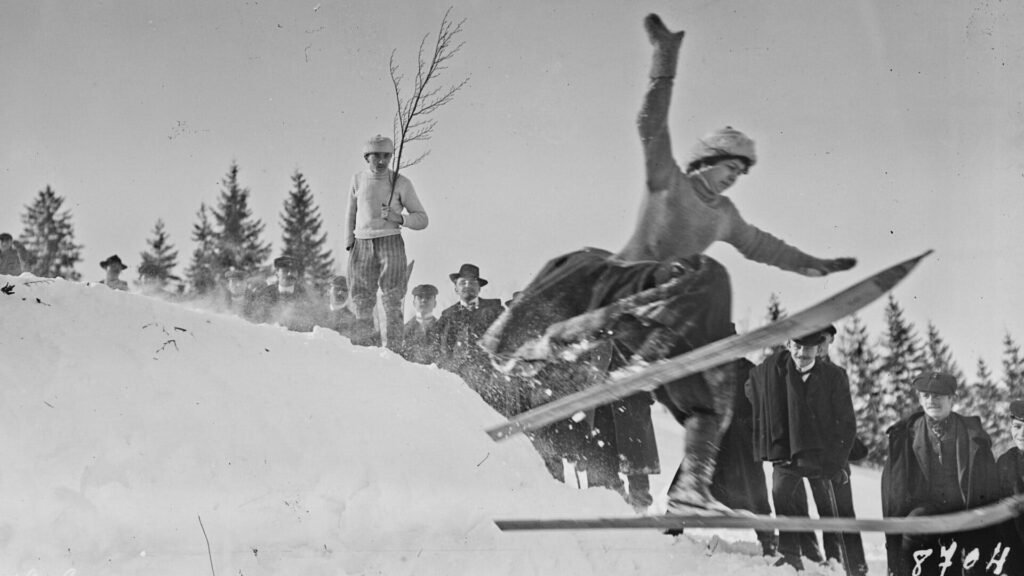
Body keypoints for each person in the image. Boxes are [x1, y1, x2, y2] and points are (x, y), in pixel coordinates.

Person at [480, 13, 855, 514]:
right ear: (706, 160)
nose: (732, 180)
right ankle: (599, 351)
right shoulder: (669, 180)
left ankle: (691, 489)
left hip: (663, 313)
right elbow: (650, 125)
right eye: (729, 168)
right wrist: (665, 59)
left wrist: (812, 265)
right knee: (704, 272)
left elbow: (762, 245)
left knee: (714, 398)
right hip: (622, 285)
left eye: (740, 175)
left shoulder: (725, 215)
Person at [746, 329, 858, 571]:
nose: (802, 353)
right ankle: (790, 555)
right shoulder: (774, 372)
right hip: (788, 454)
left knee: (827, 508)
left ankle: (835, 559)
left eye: (808, 348)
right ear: (788, 345)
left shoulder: (834, 376)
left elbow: (847, 424)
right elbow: (750, 389)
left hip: (822, 456)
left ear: (818, 349)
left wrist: (836, 461)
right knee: (781, 495)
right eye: (797, 346)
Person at [881, 371, 1001, 576]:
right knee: (913, 534)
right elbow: (892, 492)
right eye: (926, 396)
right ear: (920, 399)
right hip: (924, 516)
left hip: (964, 512)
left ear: (952, 399)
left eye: (938, 396)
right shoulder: (905, 436)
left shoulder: (973, 436)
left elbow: (990, 489)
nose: (931, 401)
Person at [345, 134, 429, 352]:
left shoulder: (400, 182)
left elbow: (422, 219)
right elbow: (351, 212)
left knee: (392, 299)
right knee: (362, 300)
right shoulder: (357, 180)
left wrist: (398, 218)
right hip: (362, 244)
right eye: (376, 156)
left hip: (390, 242)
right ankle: (364, 349)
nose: (382, 161)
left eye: (386, 156)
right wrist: (349, 242)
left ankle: (393, 351)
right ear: (367, 157)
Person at [433, 264, 509, 410]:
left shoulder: (494, 311)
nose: (467, 286)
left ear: (479, 288)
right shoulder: (447, 316)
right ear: (456, 288)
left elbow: (506, 342)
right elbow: (436, 348)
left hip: (489, 378)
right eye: (463, 282)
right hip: (456, 380)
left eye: (473, 282)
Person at [246, 256, 318, 332]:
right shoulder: (265, 293)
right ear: (277, 274)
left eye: (293, 271)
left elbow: (311, 323)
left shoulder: (304, 295)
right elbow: (255, 320)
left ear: (297, 274)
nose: (290, 274)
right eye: (285, 271)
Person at [403, 283, 439, 364]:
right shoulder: (404, 331)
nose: (424, 300)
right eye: (420, 297)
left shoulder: (443, 330)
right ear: (414, 303)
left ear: (435, 303)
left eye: (428, 297)